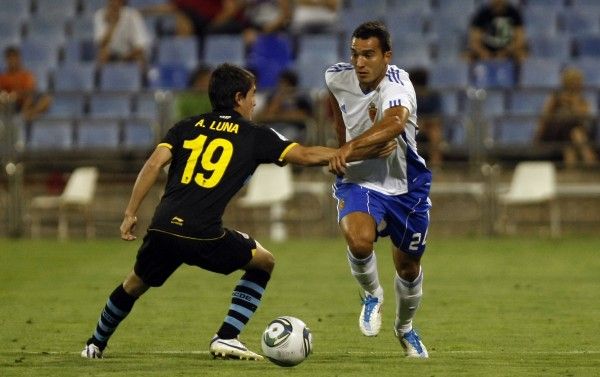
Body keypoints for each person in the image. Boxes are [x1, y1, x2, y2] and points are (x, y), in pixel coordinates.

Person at [80, 63, 397, 360]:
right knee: (264, 262)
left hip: (162, 226)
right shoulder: (254, 135)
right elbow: (306, 154)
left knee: (134, 284)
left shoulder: (184, 127)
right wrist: (359, 152)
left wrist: (130, 212)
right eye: (253, 94)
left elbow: (153, 164)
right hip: (203, 232)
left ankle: (94, 344)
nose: (256, 102)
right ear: (238, 98)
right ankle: (227, 335)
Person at [325, 21, 432, 358]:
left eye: (368, 54)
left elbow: (395, 123)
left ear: (387, 56)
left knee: (408, 269)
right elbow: (341, 115)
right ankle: (372, 294)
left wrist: (348, 149)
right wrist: (346, 149)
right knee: (358, 241)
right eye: (355, 54)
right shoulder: (336, 77)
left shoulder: (398, 83)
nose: (360, 62)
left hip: (406, 186)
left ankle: (405, 328)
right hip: (360, 179)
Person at [535, 67, 598, 168]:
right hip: (554, 134)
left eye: (578, 82)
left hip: (572, 135)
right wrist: (538, 135)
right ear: (566, 82)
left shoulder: (582, 100)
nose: (577, 84)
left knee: (572, 135)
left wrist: (573, 103)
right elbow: (545, 117)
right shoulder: (556, 97)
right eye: (573, 82)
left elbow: (584, 117)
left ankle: (573, 168)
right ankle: (588, 156)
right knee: (570, 128)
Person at [255, 69, 314, 143]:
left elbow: (305, 115)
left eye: (284, 83)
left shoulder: (301, 97)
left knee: (286, 136)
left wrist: (279, 114)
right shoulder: (273, 96)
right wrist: (279, 99)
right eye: (280, 82)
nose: (281, 85)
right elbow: (267, 115)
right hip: (274, 126)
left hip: (294, 128)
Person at [0, 46, 52, 122]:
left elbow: (30, 92)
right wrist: (10, 96)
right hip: (12, 103)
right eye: (9, 58)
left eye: (14, 57)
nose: (12, 61)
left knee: (47, 99)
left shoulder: (27, 75)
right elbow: (3, 93)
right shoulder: (3, 77)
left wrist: (20, 97)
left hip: (27, 103)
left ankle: (28, 114)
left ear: (18, 59)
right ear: (6, 60)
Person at [467, 0, 527, 65]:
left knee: (522, 54)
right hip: (484, 55)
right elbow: (474, 40)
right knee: (467, 56)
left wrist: (505, 52)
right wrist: (484, 53)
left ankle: (519, 73)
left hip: (509, 53)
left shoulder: (514, 14)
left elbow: (520, 39)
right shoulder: (482, 14)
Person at [94, 0, 152, 67]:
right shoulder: (100, 14)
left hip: (131, 54)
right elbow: (101, 44)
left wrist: (125, 57)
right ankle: (104, 76)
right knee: (102, 55)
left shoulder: (133, 15)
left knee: (140, 57)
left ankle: (139, 76)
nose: (113, 2)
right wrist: (113, 24)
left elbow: (141, 46)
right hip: (112, 55)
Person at [410, 67, 444, 168]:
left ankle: (436, 167)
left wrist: (426, 122)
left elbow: (437, 117)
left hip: (429, 125)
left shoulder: (433, 95)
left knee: (435, 133)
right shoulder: (409, 96)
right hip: (413, 125)